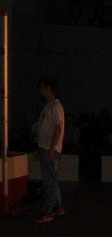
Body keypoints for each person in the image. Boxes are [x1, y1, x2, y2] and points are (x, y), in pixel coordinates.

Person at [34, 78, 66, 223]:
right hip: (46, 147)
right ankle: (58, 207)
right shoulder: (49, 106)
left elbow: (58, 128)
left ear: (48, 88)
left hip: (49, 148)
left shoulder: (55, 106)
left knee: (49, 181)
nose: (39, 90)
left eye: (41, 87)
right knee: (51, 180)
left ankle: (48, 211)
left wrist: (51, 150)